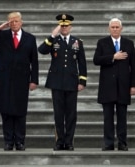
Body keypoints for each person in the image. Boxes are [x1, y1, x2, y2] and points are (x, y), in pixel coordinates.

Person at [0, 12, 39, 151]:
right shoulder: (1, 35)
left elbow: (35, 61)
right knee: (6, 111)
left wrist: (34, 80)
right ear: (8, 22)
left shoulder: (30, 38)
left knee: (20, 111)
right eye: (11, 21)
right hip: (4, 78)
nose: (14, 23)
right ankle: (8, 141)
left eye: (16, 21)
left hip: (22, 78)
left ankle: (20, 141)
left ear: (21, 22)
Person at [38, 14, 87, 151]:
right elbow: (41, 50)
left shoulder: (77, 42)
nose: (64, 28)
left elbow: (82, 63)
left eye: (66, 26)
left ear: (71, 27)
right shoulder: (54, 40)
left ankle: (69, 141)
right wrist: (52, 36)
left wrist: (82, 81)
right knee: (58, 113)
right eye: (62, 26)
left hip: (72, 82)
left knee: (71, 114)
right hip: (57, 82)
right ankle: (59, 141)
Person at [93, 18, 135, 151]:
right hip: (107, 87)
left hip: (124, 86)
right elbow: (96, 60)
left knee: (122, 117)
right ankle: (108, 142)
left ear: (121, 28)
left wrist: (134, 85)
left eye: (117, 27)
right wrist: (113, 57)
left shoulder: (129, 43)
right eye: (112, 27)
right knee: (108, 117)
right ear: (109, 29)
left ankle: (122, 142)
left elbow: (133, 66)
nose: (115, 29)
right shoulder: (102, 43)